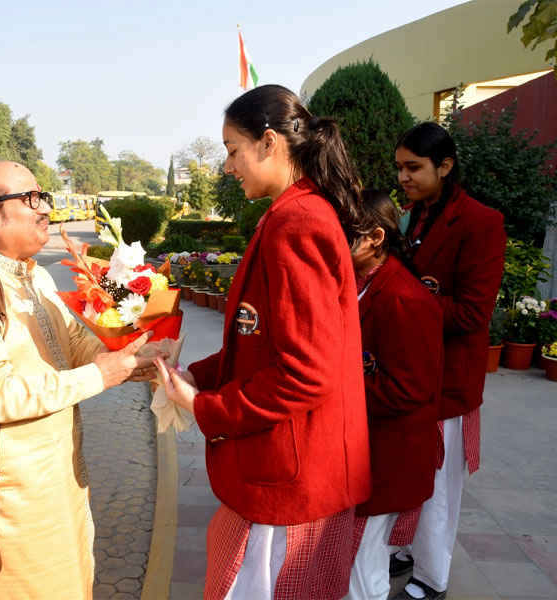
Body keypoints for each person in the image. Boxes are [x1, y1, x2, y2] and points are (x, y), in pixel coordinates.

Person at [0, 159, 162, 600]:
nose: (45, 208)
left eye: (43, 196)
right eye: (30, 199)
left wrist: (136, 360)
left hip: (52, 490)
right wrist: (99, 376)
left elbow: (75, 345)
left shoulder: (33, 274)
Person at [155, 84, 371, 600]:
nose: (228, 166)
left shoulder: (298, 224)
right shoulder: (290, 214)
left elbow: (307, 374)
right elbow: (260, 341)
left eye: (233, 150)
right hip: (290, 461)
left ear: (269, 141)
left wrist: (208, 407)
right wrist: (195, 374)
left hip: (292, 471)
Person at [389, 123, 506, 600]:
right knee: (409, 469)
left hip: (448, 376)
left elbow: (473, 313)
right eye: (399, 168)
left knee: (438, 482)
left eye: (413, 168)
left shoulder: (481, 223)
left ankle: (432, 577)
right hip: (406, 372)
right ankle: (408, 549)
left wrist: (404, 306)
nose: (403, 177)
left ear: (445, 166)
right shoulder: (410, 217)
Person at [346, 190, 443, 600]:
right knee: (358, 560)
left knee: (363, 567)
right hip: (369, 451)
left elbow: (409, 389)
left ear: (375, 238)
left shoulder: (404, 298)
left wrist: (338, 391)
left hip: (390, 456)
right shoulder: (364, 281)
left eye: (344, 234)